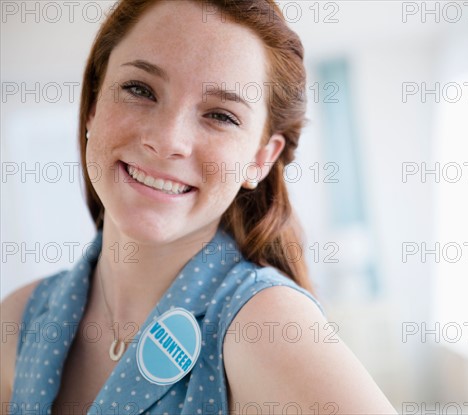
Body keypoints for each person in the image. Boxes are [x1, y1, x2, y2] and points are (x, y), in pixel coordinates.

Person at [1, 1, 398, 413]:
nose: (168, 140)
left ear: (261, 158)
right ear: (92, 106)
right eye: (139, 89)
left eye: (221, 115)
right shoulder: (20, 320)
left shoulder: (266, 326)